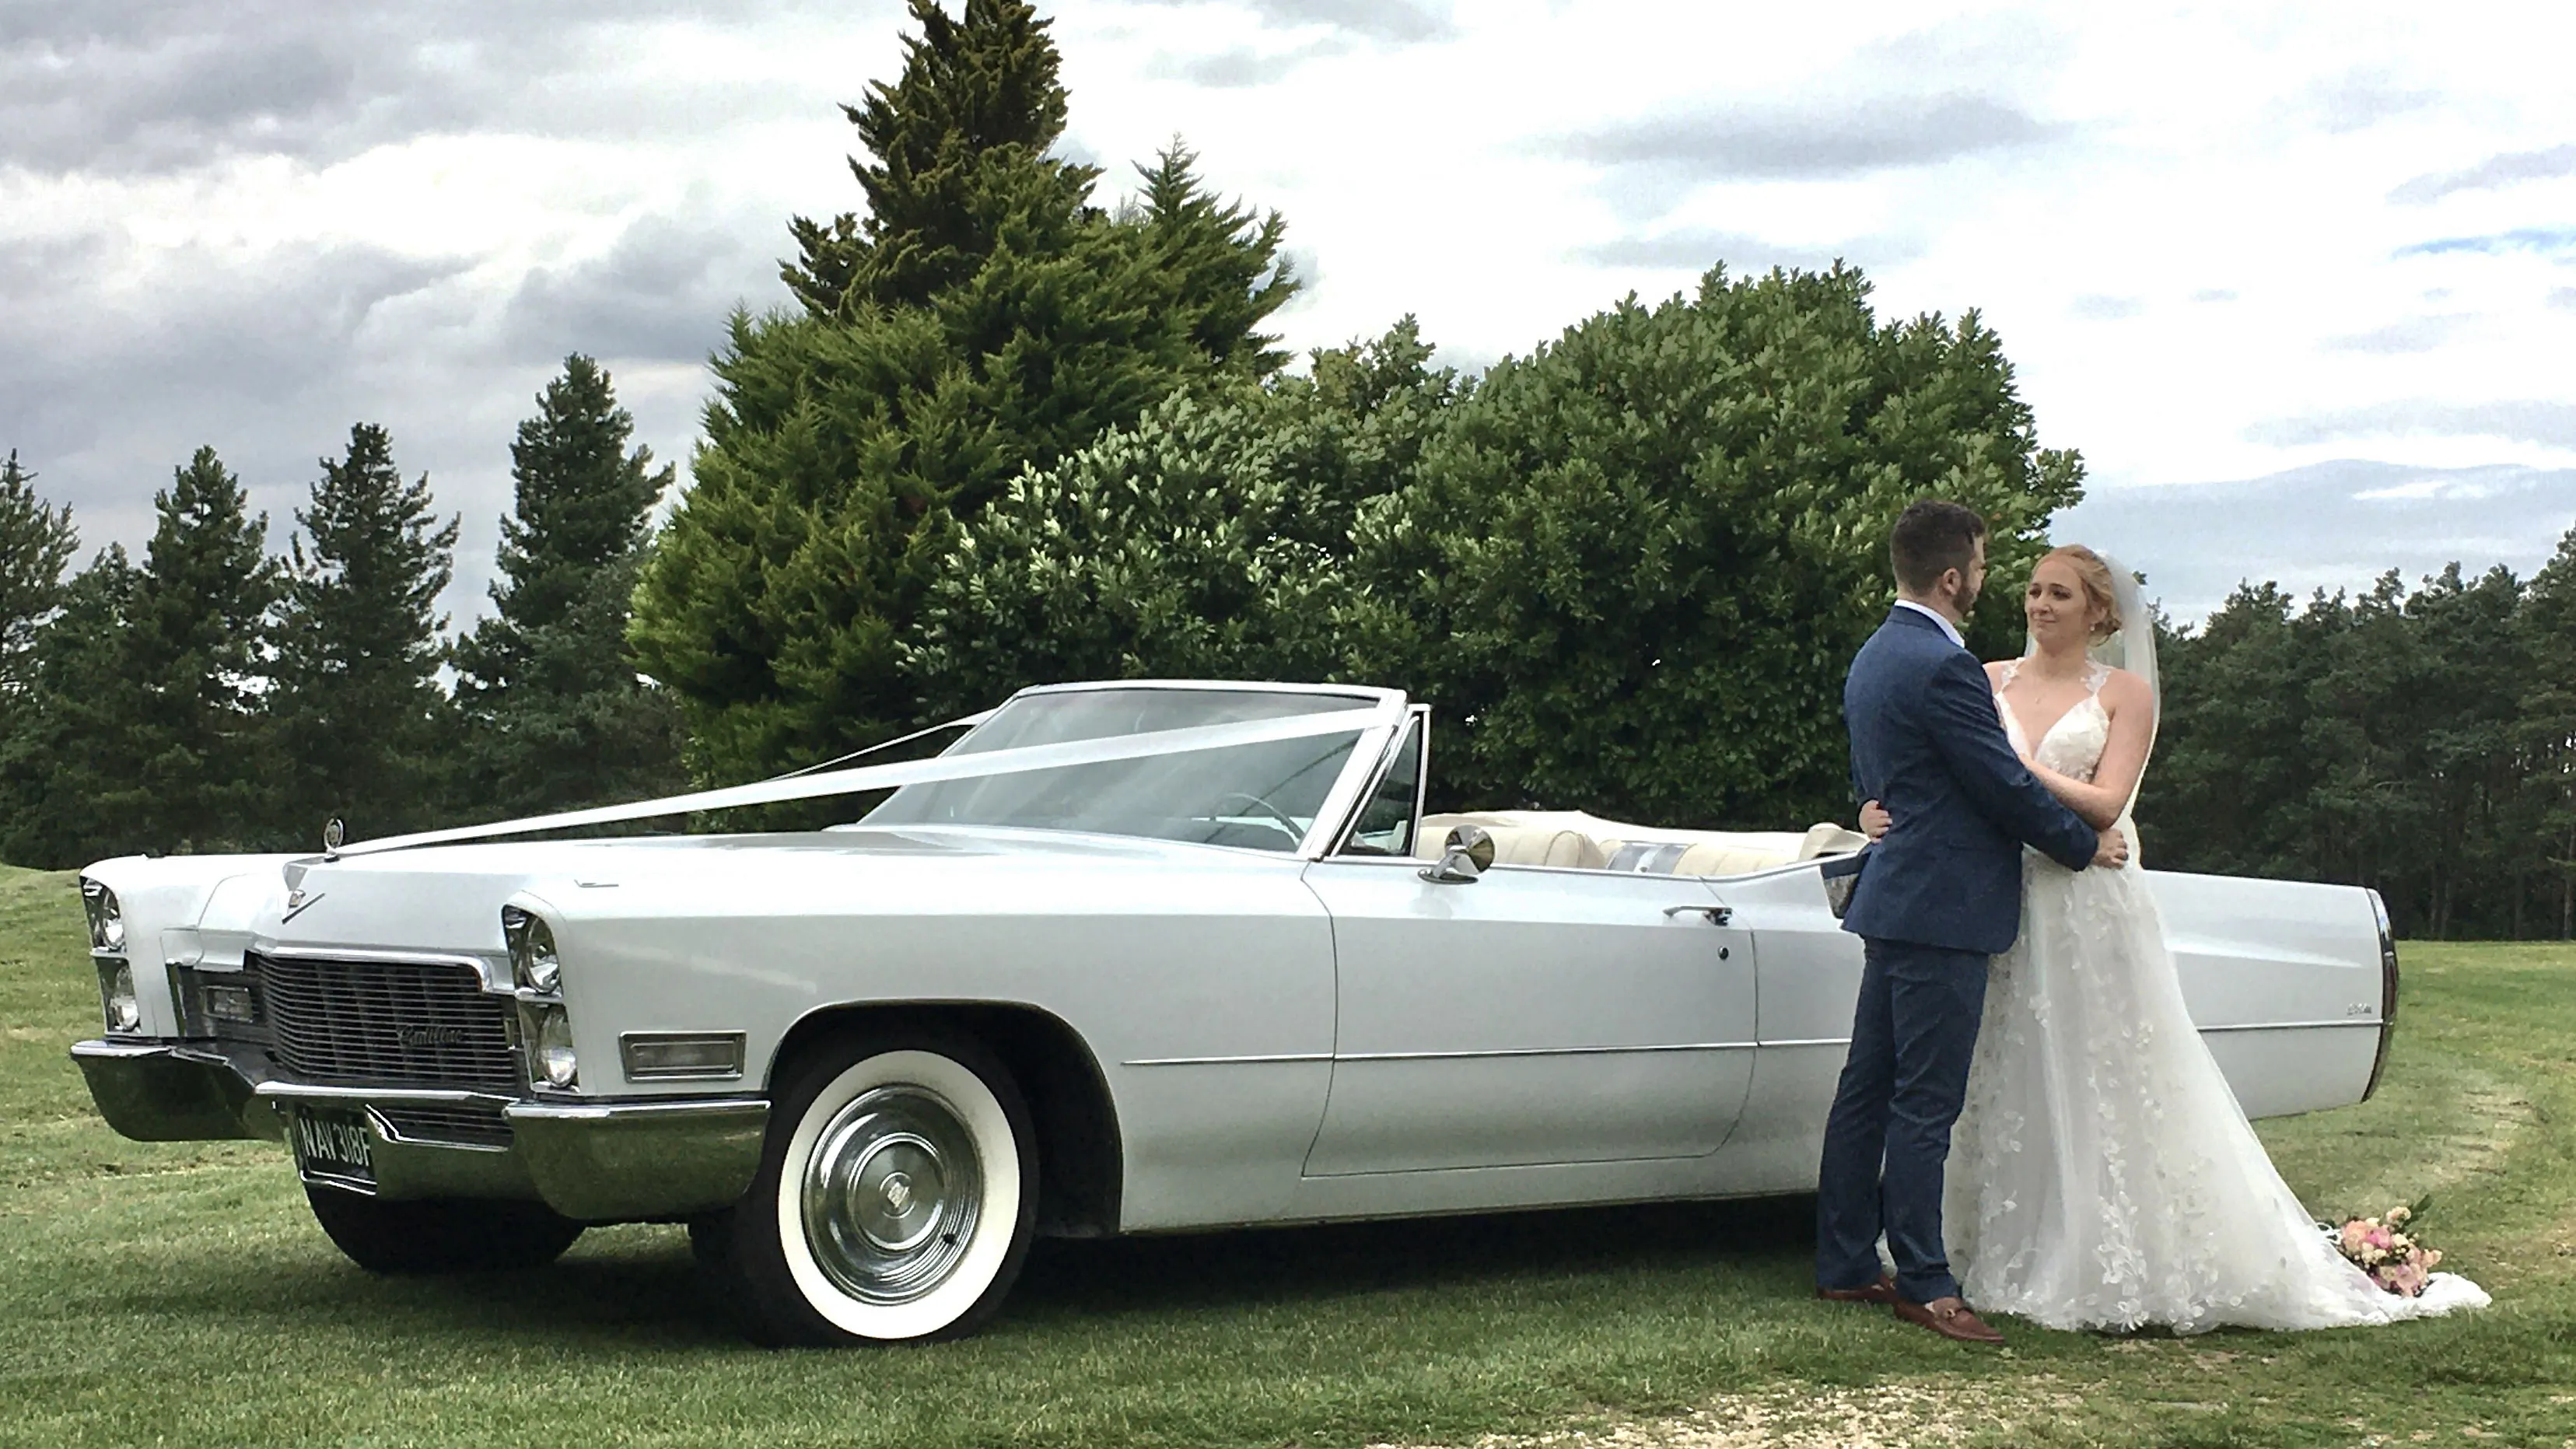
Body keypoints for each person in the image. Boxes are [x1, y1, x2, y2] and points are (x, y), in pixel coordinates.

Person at [1858, 543, 2490, 1332]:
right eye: (2031, 590)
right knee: (2003, 1069)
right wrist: (1876, 808)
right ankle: (1987, 1242)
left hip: (2089, 901)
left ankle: (2105, 1247)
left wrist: (2009, 769)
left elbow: (2108, 798)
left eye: (2059, 594)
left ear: (2099, 612)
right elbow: (1937, 770)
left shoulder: (2125, 694)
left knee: (2102, 1069)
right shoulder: (1983, 680)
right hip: (2000, 898)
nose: (2039, 606)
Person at [1815, 500, 2128, 1346]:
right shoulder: (1944, 666)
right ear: (1953, 577)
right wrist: (2078, 842)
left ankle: (1845, 1261)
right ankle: (1924, 1279)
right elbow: (1998, 782)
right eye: (1986, 569)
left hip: (1897, 895)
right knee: (1924, 1100)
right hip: (1944, 903)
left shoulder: (1877, 653)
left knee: (1867, 1090)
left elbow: (1879, 773)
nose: (1990, 585)